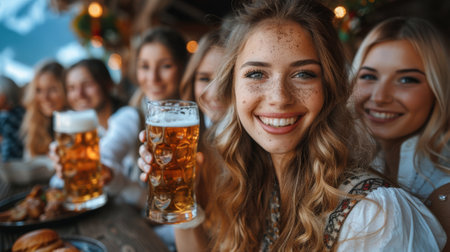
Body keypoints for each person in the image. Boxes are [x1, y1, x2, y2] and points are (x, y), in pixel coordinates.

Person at [137, 0, 446, 251]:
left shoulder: (375, 217)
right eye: (257, 74)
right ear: (232, 88)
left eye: (303, 74)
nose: (279, 99)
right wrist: (181, 193)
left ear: (330, 89)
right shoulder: (253, 183)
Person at [350, 16, 450, 249]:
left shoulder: (444, 191)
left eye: (406, 79)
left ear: (439, 89)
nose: (380, 96)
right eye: (368, 76)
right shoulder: (353, 158)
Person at [21, 60, 67, 158]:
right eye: (39, 90)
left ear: (66, 89)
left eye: (52, 89)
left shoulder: (77, 124)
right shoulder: (35, 123)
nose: (45, 98)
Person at [0, 76, 24, 162]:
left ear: (4, 96)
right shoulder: (22, 112)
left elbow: (8, 148)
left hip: (10, 165)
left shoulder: (5, 117)